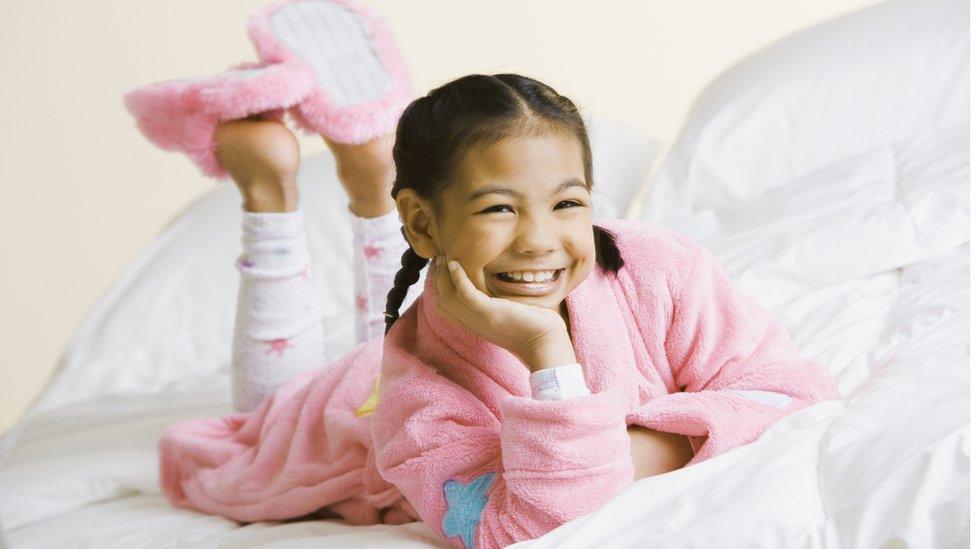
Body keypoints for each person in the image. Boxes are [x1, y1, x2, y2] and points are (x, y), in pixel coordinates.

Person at [156, 72, 839, 549]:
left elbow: (792, 388)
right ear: (423, 225)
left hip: (409, 331)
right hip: (347, 411)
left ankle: (368, 181)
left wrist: (623, 449)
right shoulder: (418, 400)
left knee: (377, 332)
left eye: (567, 202)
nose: (540, 238)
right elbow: (535, 525)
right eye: (499, 208)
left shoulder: (658, 269)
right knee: (266, 412)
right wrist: (547, 349)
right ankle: (269, 194)